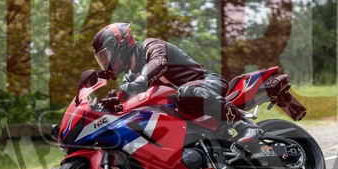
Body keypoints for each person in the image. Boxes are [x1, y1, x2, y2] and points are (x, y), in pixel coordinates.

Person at [92, 22, 261, 145]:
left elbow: (159, 62)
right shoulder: (130, 77)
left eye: (106, 56)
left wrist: (140, 81)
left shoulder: (150, 46)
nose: (106, 63)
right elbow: (126, 100)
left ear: (120, 45)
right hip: (183, 109)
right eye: (102, 59)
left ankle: (245, 125)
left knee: (186, 91)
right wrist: (108, 104)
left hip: (207, 84)